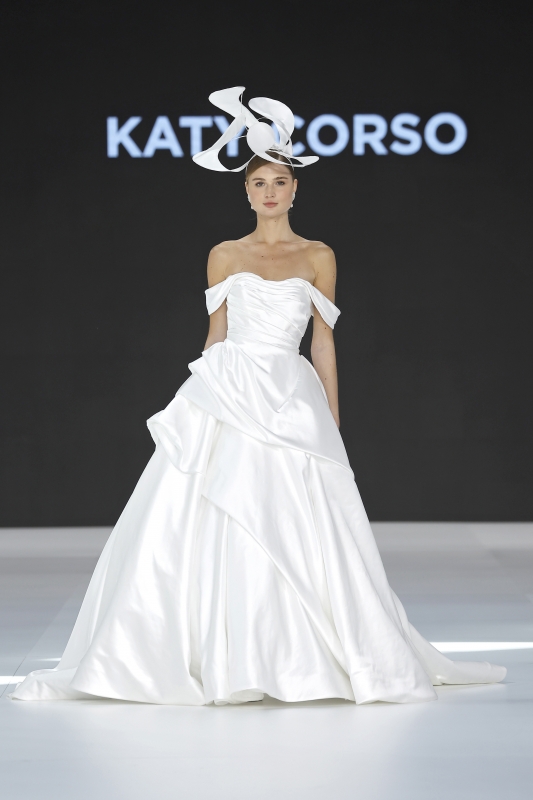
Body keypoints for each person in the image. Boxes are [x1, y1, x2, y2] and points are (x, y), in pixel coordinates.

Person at [12, 88, 505, 706]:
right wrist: (200, 397)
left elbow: (322, 341)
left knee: (297, 518)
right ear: (245, 192)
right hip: (232, 387)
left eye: (279, 182)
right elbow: (216, 334)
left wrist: (331, 417)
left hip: (291, 397)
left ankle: (297, 651)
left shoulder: (318, 256)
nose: (269, 192)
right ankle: (216, 649)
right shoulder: (224, 255)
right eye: (258, 183)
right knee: (212, 507)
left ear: (295, 189)